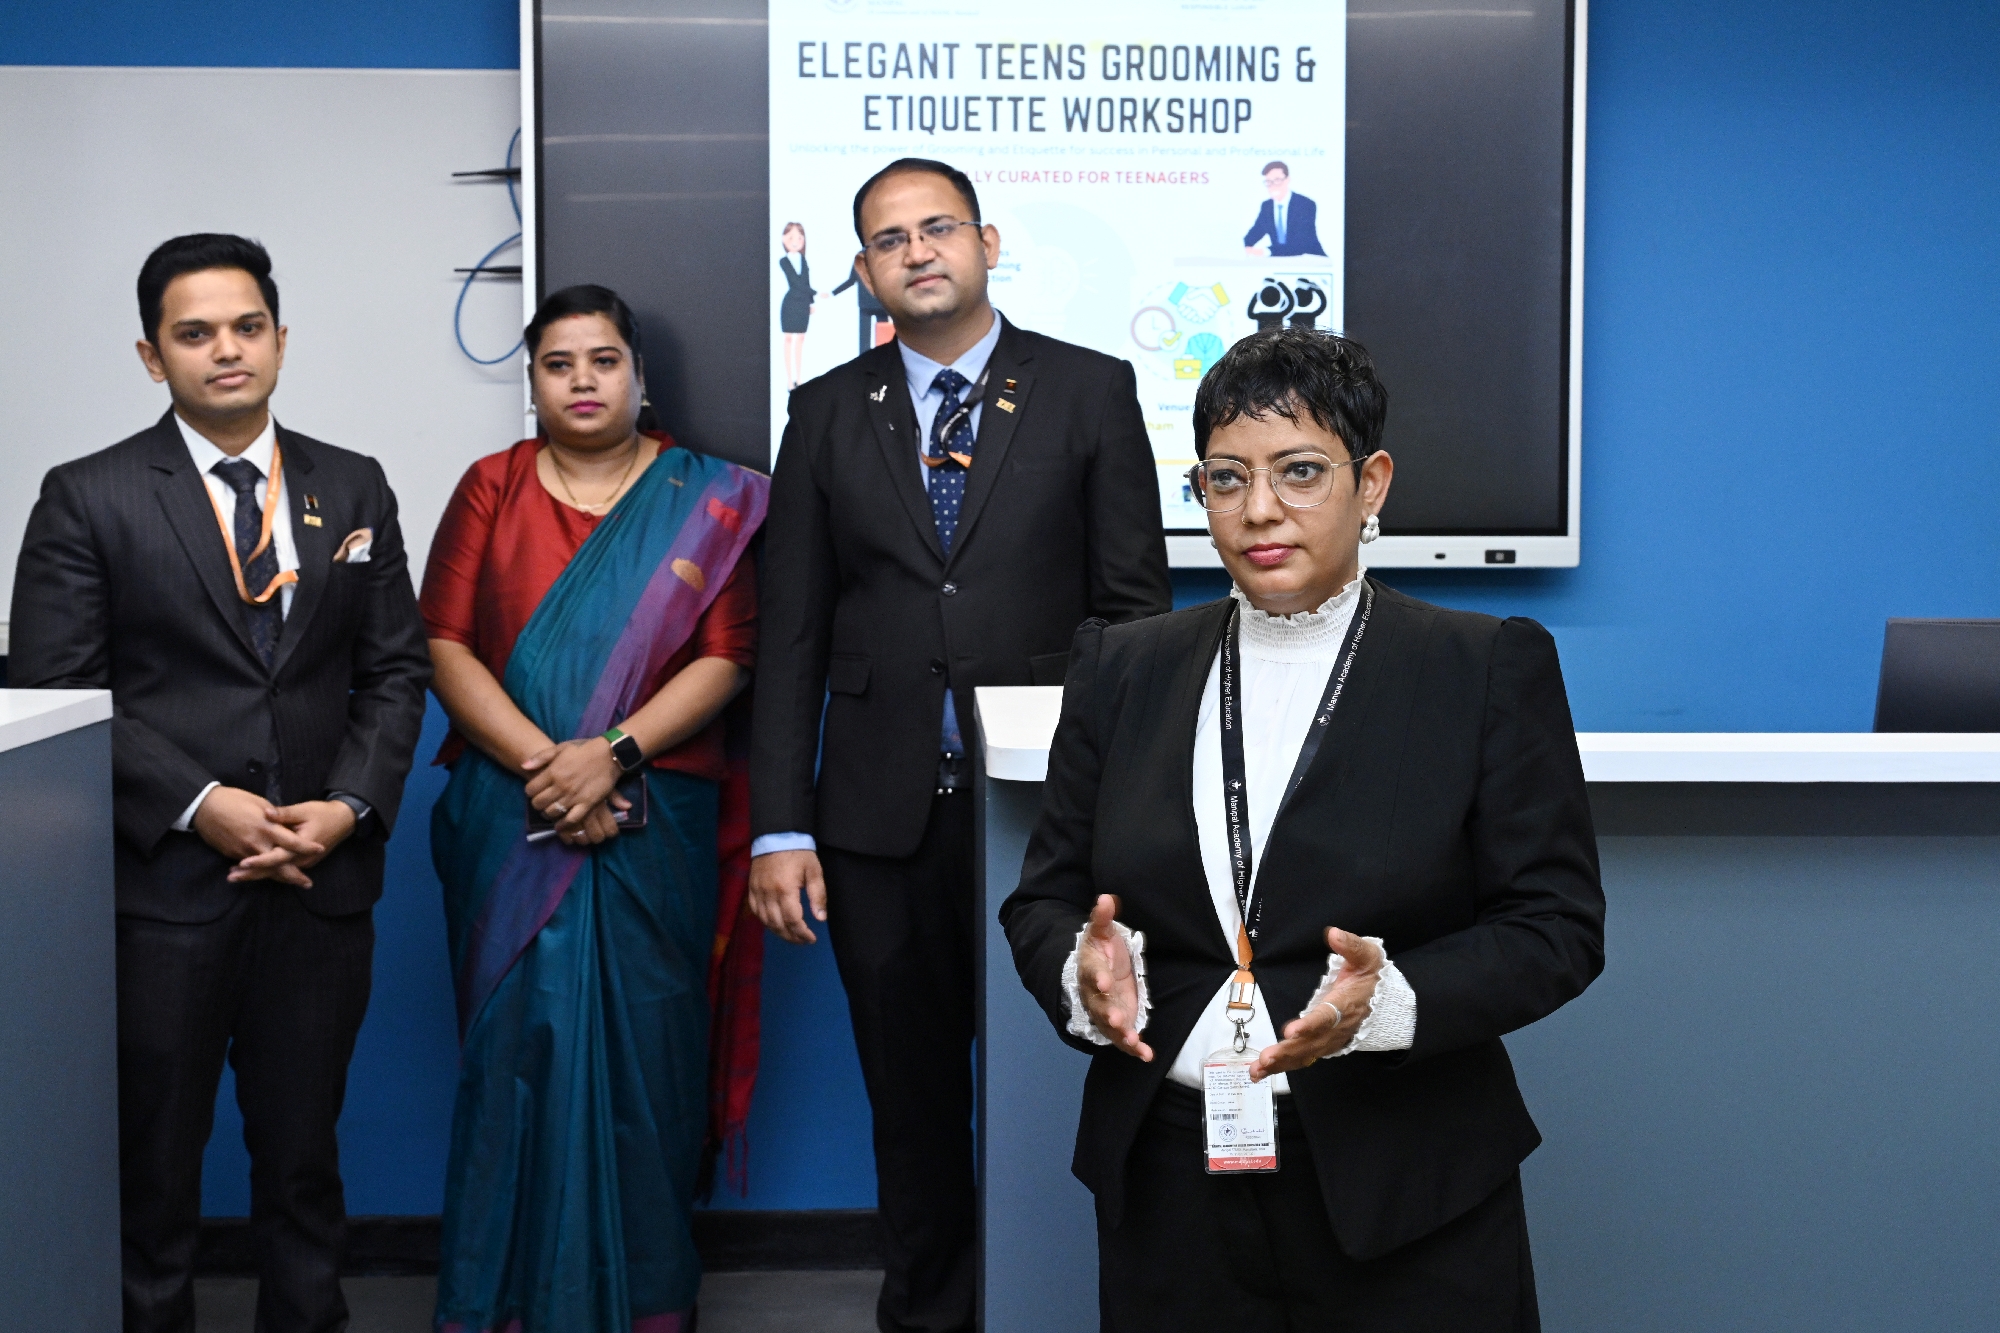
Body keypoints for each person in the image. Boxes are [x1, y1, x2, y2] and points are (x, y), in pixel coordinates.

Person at [1000, 328, 1605, 1331]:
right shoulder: (1121, 665)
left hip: (1403, 1186)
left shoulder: (1482, 667)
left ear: (1371, 485)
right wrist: (1080, 974)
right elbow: (1045, 896)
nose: (1259, 509)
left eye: (1299, 471)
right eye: (1226, 478)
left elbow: (1556, 927)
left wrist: (1386, 1002)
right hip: (1169, 1181)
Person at [749, 157, 1173, 1333]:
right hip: (875, 824)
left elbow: (1133, 616)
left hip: (1047, 821)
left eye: (937, 228)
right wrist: (779, 824)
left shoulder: (1088, 390)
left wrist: (1126, 807)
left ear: (986, 242)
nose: (917, 251)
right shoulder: (825, 411)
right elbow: (790, 631)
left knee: (1062, 1082)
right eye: (890, 239)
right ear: (862, 270)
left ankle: (1060, 1308)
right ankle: (930, 1317)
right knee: (912, 1107)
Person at [8, 233, 431, 1333]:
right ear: (153, 357)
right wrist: (203, 805)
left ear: (281, 339)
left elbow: (395, 671)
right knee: (153, 1173)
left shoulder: (352, 483)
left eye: (247, 327)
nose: (226, 350)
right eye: (194, 334)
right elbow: (59, 691)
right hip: (164, 896)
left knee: (304, 1163)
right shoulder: (87, 496)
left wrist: (346, 807)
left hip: (318, 884)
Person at [421, 284, 768, 1333]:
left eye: (603, 360)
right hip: (508, 815)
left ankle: (644, 1303)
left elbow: (728, 657)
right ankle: (503, 1303)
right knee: (513, 1062)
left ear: (640, 377)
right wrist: (551, 769)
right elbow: (444, 645)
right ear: (531, 382)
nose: (582, 380)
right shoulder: (491, 486)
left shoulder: (707, 498)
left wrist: (609, 756)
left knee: (645, 1065)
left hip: (652, 822)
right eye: (558, 363)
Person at [1243, 160, 1327, 258]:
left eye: (1277, 180)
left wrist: (1265, 251)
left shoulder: (1305, 204)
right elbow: (1255, 233)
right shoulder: (1267, 206)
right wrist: (1239, 247)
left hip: (1311, 260)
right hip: (1281, 261)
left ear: (1287, 180)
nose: (1272, 185)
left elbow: (1300, 243)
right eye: (1268, 182)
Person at [779, 222, 815, 388]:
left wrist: (811, 302)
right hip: (790, 304)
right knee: (788, 339)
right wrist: (816, 293)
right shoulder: (784, 261)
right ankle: (789, 380)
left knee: (800, 339)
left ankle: (799, 379)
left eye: (799, 238)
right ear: (783, 239)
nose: (795, 241)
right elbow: (796, 283)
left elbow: (806, 281)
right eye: (791, 237)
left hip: (803, 304)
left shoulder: (804, 260)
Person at [831, 264, 893, 355]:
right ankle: (884, 357)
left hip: (866, 305)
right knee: (882, 336)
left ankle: (867, 359)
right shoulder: (881, 260)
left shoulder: (859, 262)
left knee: (865, 338)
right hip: (878, 305)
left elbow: (851, 281)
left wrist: (833, 293)